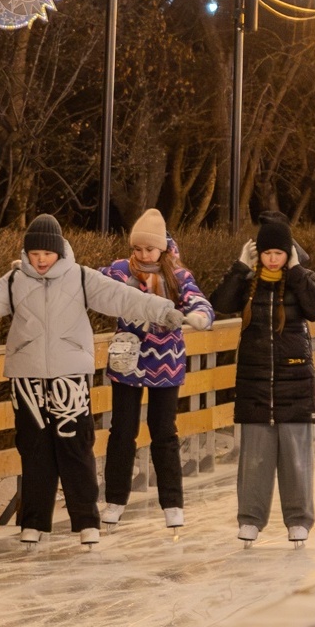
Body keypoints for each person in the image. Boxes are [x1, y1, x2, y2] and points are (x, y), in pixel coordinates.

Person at [0, 215, 192, 549]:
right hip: (27, 376)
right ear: (26, 253)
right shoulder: (14, 281)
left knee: (75, 447)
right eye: (34, 254)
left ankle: (86, 521)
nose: (41, 260)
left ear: (59, 252)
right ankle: (33, 522)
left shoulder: (80, 278)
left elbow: (123, 297)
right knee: (34, 449)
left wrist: (164, 311)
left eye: (46, 254)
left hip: (69, 376)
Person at [211, 215, 315, 543]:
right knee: (254, 457)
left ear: (288, 253)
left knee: (296, 457)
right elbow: (219, 304)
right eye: (267, 253)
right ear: (258, 254)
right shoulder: (249, 282)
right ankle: (250, 518)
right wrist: (239, 268)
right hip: (255, 381)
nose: (272, 259)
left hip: (295, 381)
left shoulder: (302, 278)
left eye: (279, 253)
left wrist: (296, 271)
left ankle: (299, 520)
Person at [99, 211, 213, 528]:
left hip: (166, 361)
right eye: (138, 249)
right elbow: (88, 282)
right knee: (122, 431)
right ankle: (115, 500)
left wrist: (200, 317)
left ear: (161, 249)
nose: (143, 255)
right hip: (129, 360)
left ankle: (172, 504)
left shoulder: (177, 275)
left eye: (149, 249)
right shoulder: (120, 272)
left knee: (163, 430)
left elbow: (199, 301)